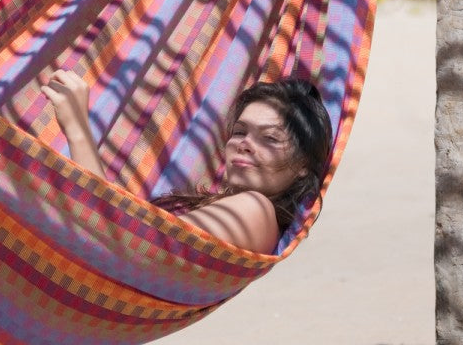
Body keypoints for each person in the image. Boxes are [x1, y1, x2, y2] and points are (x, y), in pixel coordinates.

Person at [40, 71, 332, 254]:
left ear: (304, 164)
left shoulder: (255, 209)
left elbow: (117, 246)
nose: (244, 143)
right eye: (240, 132)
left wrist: (77, 127)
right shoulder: (219, 205)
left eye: (269, 138)